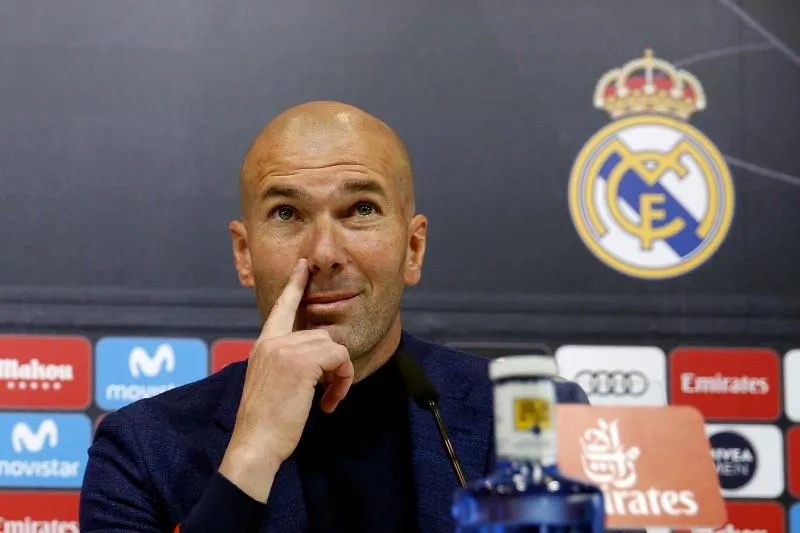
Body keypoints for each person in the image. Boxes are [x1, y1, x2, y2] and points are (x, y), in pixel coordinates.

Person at [79, 101, 591, 533]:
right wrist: (251, 455)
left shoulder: (534, 419)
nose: (324, 252)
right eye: (286, 213)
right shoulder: (141, 448)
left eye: (361, 209)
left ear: (413, 249)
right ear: (244, 254)